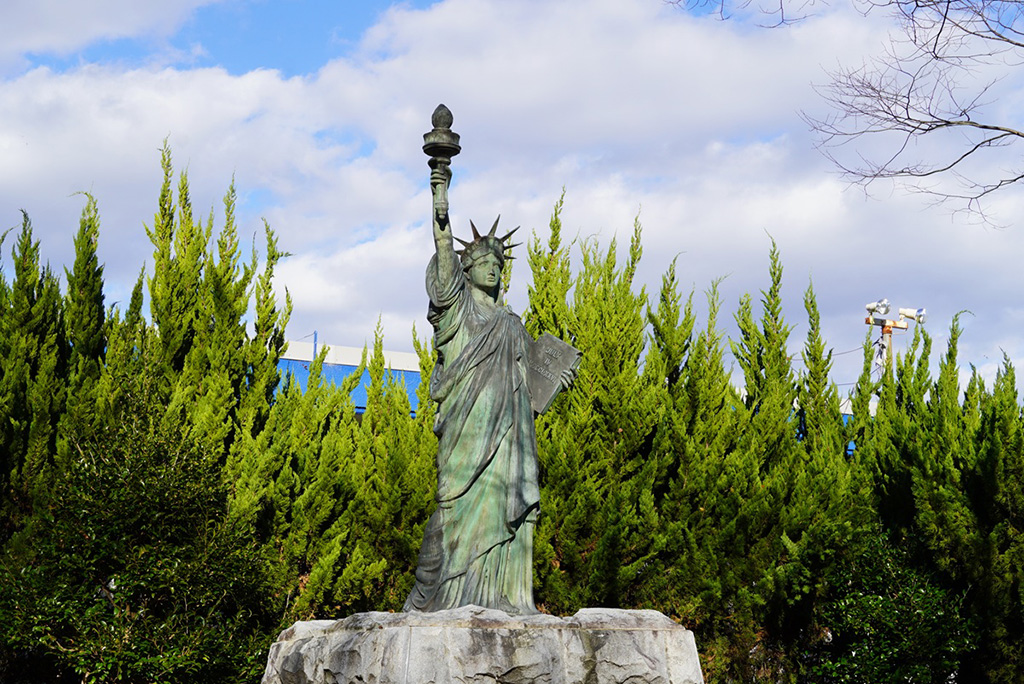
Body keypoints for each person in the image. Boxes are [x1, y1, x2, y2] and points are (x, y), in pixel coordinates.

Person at [404, 165, 569, 615]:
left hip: (509, 438)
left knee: (504, 504)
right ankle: (435, 598)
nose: (493, 270)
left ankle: (505, 597)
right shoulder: (457, 309)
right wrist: (441, 203)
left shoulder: (512, 324)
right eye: (484, 264)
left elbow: (530, 388)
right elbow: (443, 253)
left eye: (498, 265)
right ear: (468, 269)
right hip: (466, 431)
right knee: (452, 507)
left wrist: (553, 383)